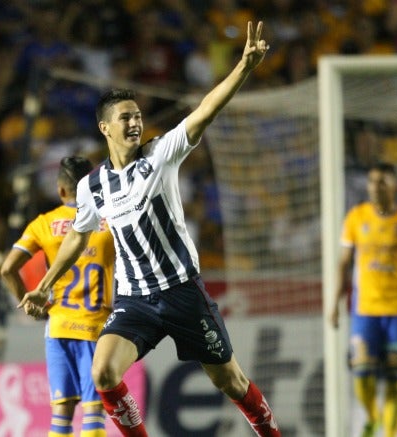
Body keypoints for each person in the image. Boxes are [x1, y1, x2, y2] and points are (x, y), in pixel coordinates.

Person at [20, 21, 280, 437]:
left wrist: (243, 68)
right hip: (135, 299)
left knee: (230, 381)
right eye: (125, 117)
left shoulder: (160, 155)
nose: (135, 123)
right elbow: (77, 237)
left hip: (182, 291)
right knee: (103, 372)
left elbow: (205, 111)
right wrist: (46, 285)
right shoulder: (92, 186)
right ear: (105, 128)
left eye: (138, 116)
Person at [0, 156, 115, 437]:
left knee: (61, 416)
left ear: (61, 190)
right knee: (93, 412)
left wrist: (32, 305)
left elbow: (7, 269)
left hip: (58, 326)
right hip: (95, 326)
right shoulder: (111, 219)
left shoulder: (43, 223)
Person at [329, 162, 397, 437]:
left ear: (394, 185)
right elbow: (344, 264)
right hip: (364, 310)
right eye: (372, 182)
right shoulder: (356, 217)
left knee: (395, 379)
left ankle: (389, 434)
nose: (375, 187)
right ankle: (372, 416)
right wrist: (335, 304)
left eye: (382, 182)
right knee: (362, 375)